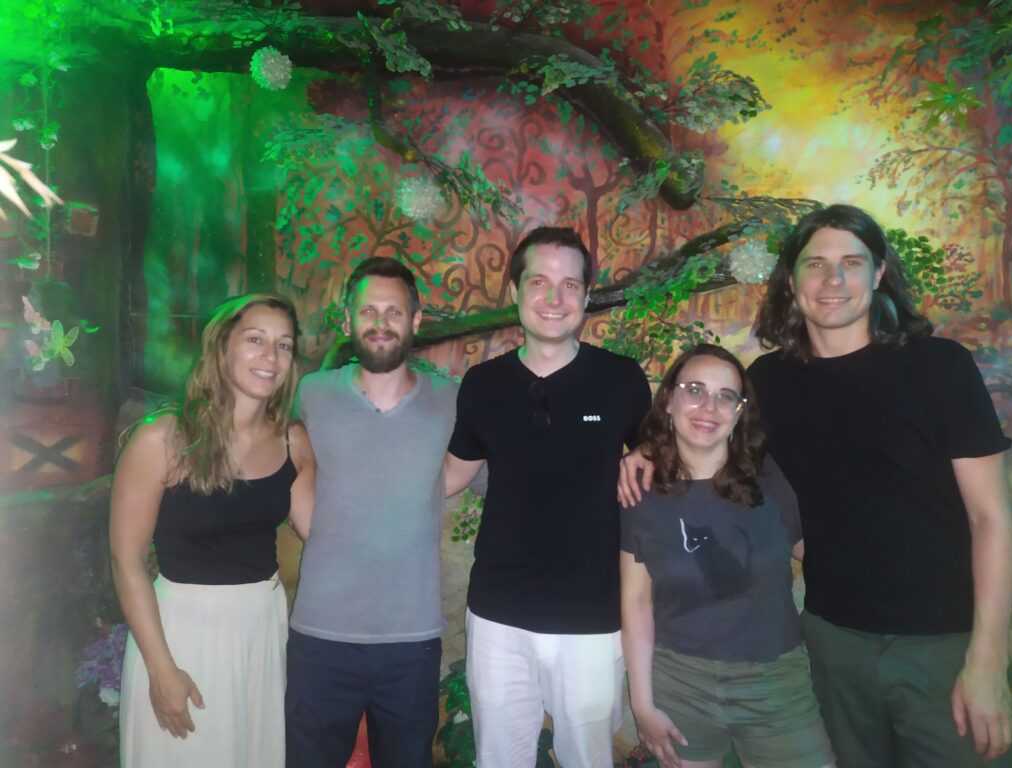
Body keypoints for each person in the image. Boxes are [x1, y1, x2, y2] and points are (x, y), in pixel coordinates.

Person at [621, 204, 1012, 767]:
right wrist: (646, 449)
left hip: (943, 643)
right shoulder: (769, 381)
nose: (833, 280)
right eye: (815, 264)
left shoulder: (939, 367)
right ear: (791, 279)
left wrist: (987, 657)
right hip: (832, 643)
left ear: (879, 273)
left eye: (851, 263)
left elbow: (992, 518)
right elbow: (709, 431)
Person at [445, 226, 652, 768]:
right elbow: (449, 474)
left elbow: (660, 454)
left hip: (591, 614)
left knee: (587, 758)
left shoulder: (621, 379)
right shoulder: (483, 384)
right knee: (499, 758)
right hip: (498, 614)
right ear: (516, 291)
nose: (554, 298)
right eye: (539, 282)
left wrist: (647, 453)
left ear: (586, 295)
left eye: (570, 284)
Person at [111, 293, 315, 768]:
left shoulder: (293, 440)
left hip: (261, 626)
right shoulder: (162, 438)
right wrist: (161, 669)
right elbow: (126, 560)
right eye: (255, 340)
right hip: (182, 631)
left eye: (284, 345)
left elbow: (321, 535)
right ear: (222, 348)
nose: (271, 356)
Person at [620, 343, 834, 768]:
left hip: (774, 679)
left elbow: (814, 552)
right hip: (680, 681)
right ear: (669, 400)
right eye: (695, 390)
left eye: (725, 396)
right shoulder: (640, 491)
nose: (709, 407)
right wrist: (642, 706)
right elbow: (636, 601)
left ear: (738, 413)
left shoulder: (768, 477)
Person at [285, 257, 460, 768]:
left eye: (394, 311)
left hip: (412, 641)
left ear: (416, 319)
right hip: (321, 636)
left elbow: (492, 470)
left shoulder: (452, 401)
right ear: (347, 320)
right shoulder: (311, 394)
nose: (380, 322)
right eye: (367, 311)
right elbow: (272, 457)